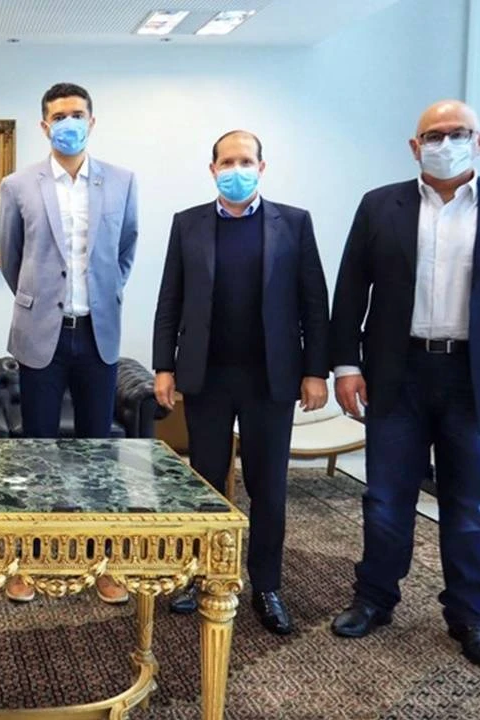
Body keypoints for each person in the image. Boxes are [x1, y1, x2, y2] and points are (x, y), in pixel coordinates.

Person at [329, 100, 480, 670]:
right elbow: (351, 290)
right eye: (433, 135)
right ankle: (375, 598)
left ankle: (469, 616)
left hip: (479, 380)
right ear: (415, 147)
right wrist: (346, 366)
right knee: (386, 498)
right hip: (398, 374)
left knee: (470, 506)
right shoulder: (380, 205)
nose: (445, 143)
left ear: (478, 141)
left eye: (457, 133)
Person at [151, 130, 330, 634]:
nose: (236, 170)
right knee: (205, 482)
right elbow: (170, 300)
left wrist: (315, 371)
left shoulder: (294, 223)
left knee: (267, 486)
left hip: (271, 379)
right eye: (227, 162)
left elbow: (314, 303)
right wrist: (163, 366)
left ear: (261, 167)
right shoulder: (187, 224)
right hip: (207, 378)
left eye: (245, 161)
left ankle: (266, 585)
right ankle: (202, 576)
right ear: (212, 169)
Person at [0, 82, 138, 604]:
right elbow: (11, 259)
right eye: (59, 116)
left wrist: (105, 294)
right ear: (44, 125)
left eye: (77, 114)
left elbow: (126, 248)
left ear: (92, 121)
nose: (68, 123)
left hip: (98, 334)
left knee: (97, 453)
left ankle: (100, 562)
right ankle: (31, 561)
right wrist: (40, 301)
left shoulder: (122, 181)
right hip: (42, 336)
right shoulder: (18, 185)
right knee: (37, 451)